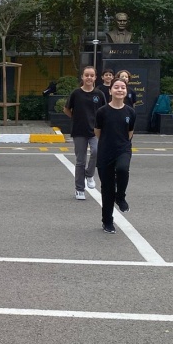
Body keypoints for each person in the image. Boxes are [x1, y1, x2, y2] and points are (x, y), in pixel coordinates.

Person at [95, 78, 136, 234]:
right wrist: (108, 144)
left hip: (123, 149)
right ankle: (107, 221)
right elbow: (98, 132)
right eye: (116, 87)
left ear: (126, 91)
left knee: (123, 169)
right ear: (110, 91)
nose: (120, 90)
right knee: (107, 189)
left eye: (123, 87)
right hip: (105, 151)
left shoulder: (130, 112)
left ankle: (121, 197)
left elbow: (130, 133)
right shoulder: (102, 112)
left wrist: (122, 145)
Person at [66, 66, 107, 200]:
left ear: (95, 77)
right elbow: (66, 109)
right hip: (79, 131)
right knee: (80, 161)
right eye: (86, 75)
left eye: (91, 75)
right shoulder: (76, 93)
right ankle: (79, 189)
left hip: (95, 130)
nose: (89, 78)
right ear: (82, 77)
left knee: (96, 151)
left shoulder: (99, 94)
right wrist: (76, 117)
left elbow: (104, 111)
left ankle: (89, 174)